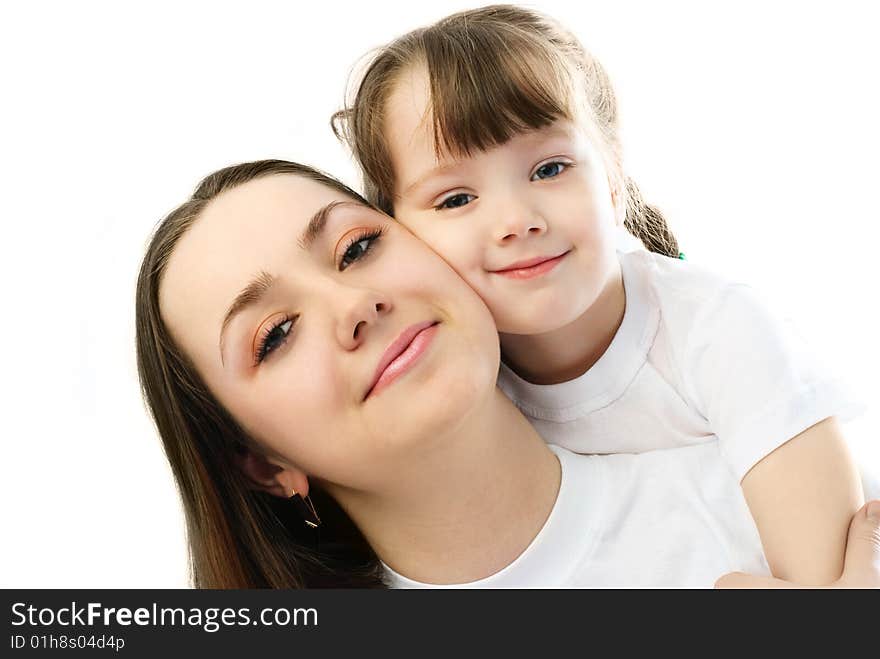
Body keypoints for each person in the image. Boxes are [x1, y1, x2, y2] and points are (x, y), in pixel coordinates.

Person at [136, 158, 878, 588]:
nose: (355, 304)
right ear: (265, 467)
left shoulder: (793, 509)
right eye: (277, 333)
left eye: (358, 248)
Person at [331, 4, 872, 585]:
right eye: (456, 200)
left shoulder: (719, 329)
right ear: (400, 233)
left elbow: (830, 589)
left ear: (612, 179)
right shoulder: (454, 385)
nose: (516, 220)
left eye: (549, 168)